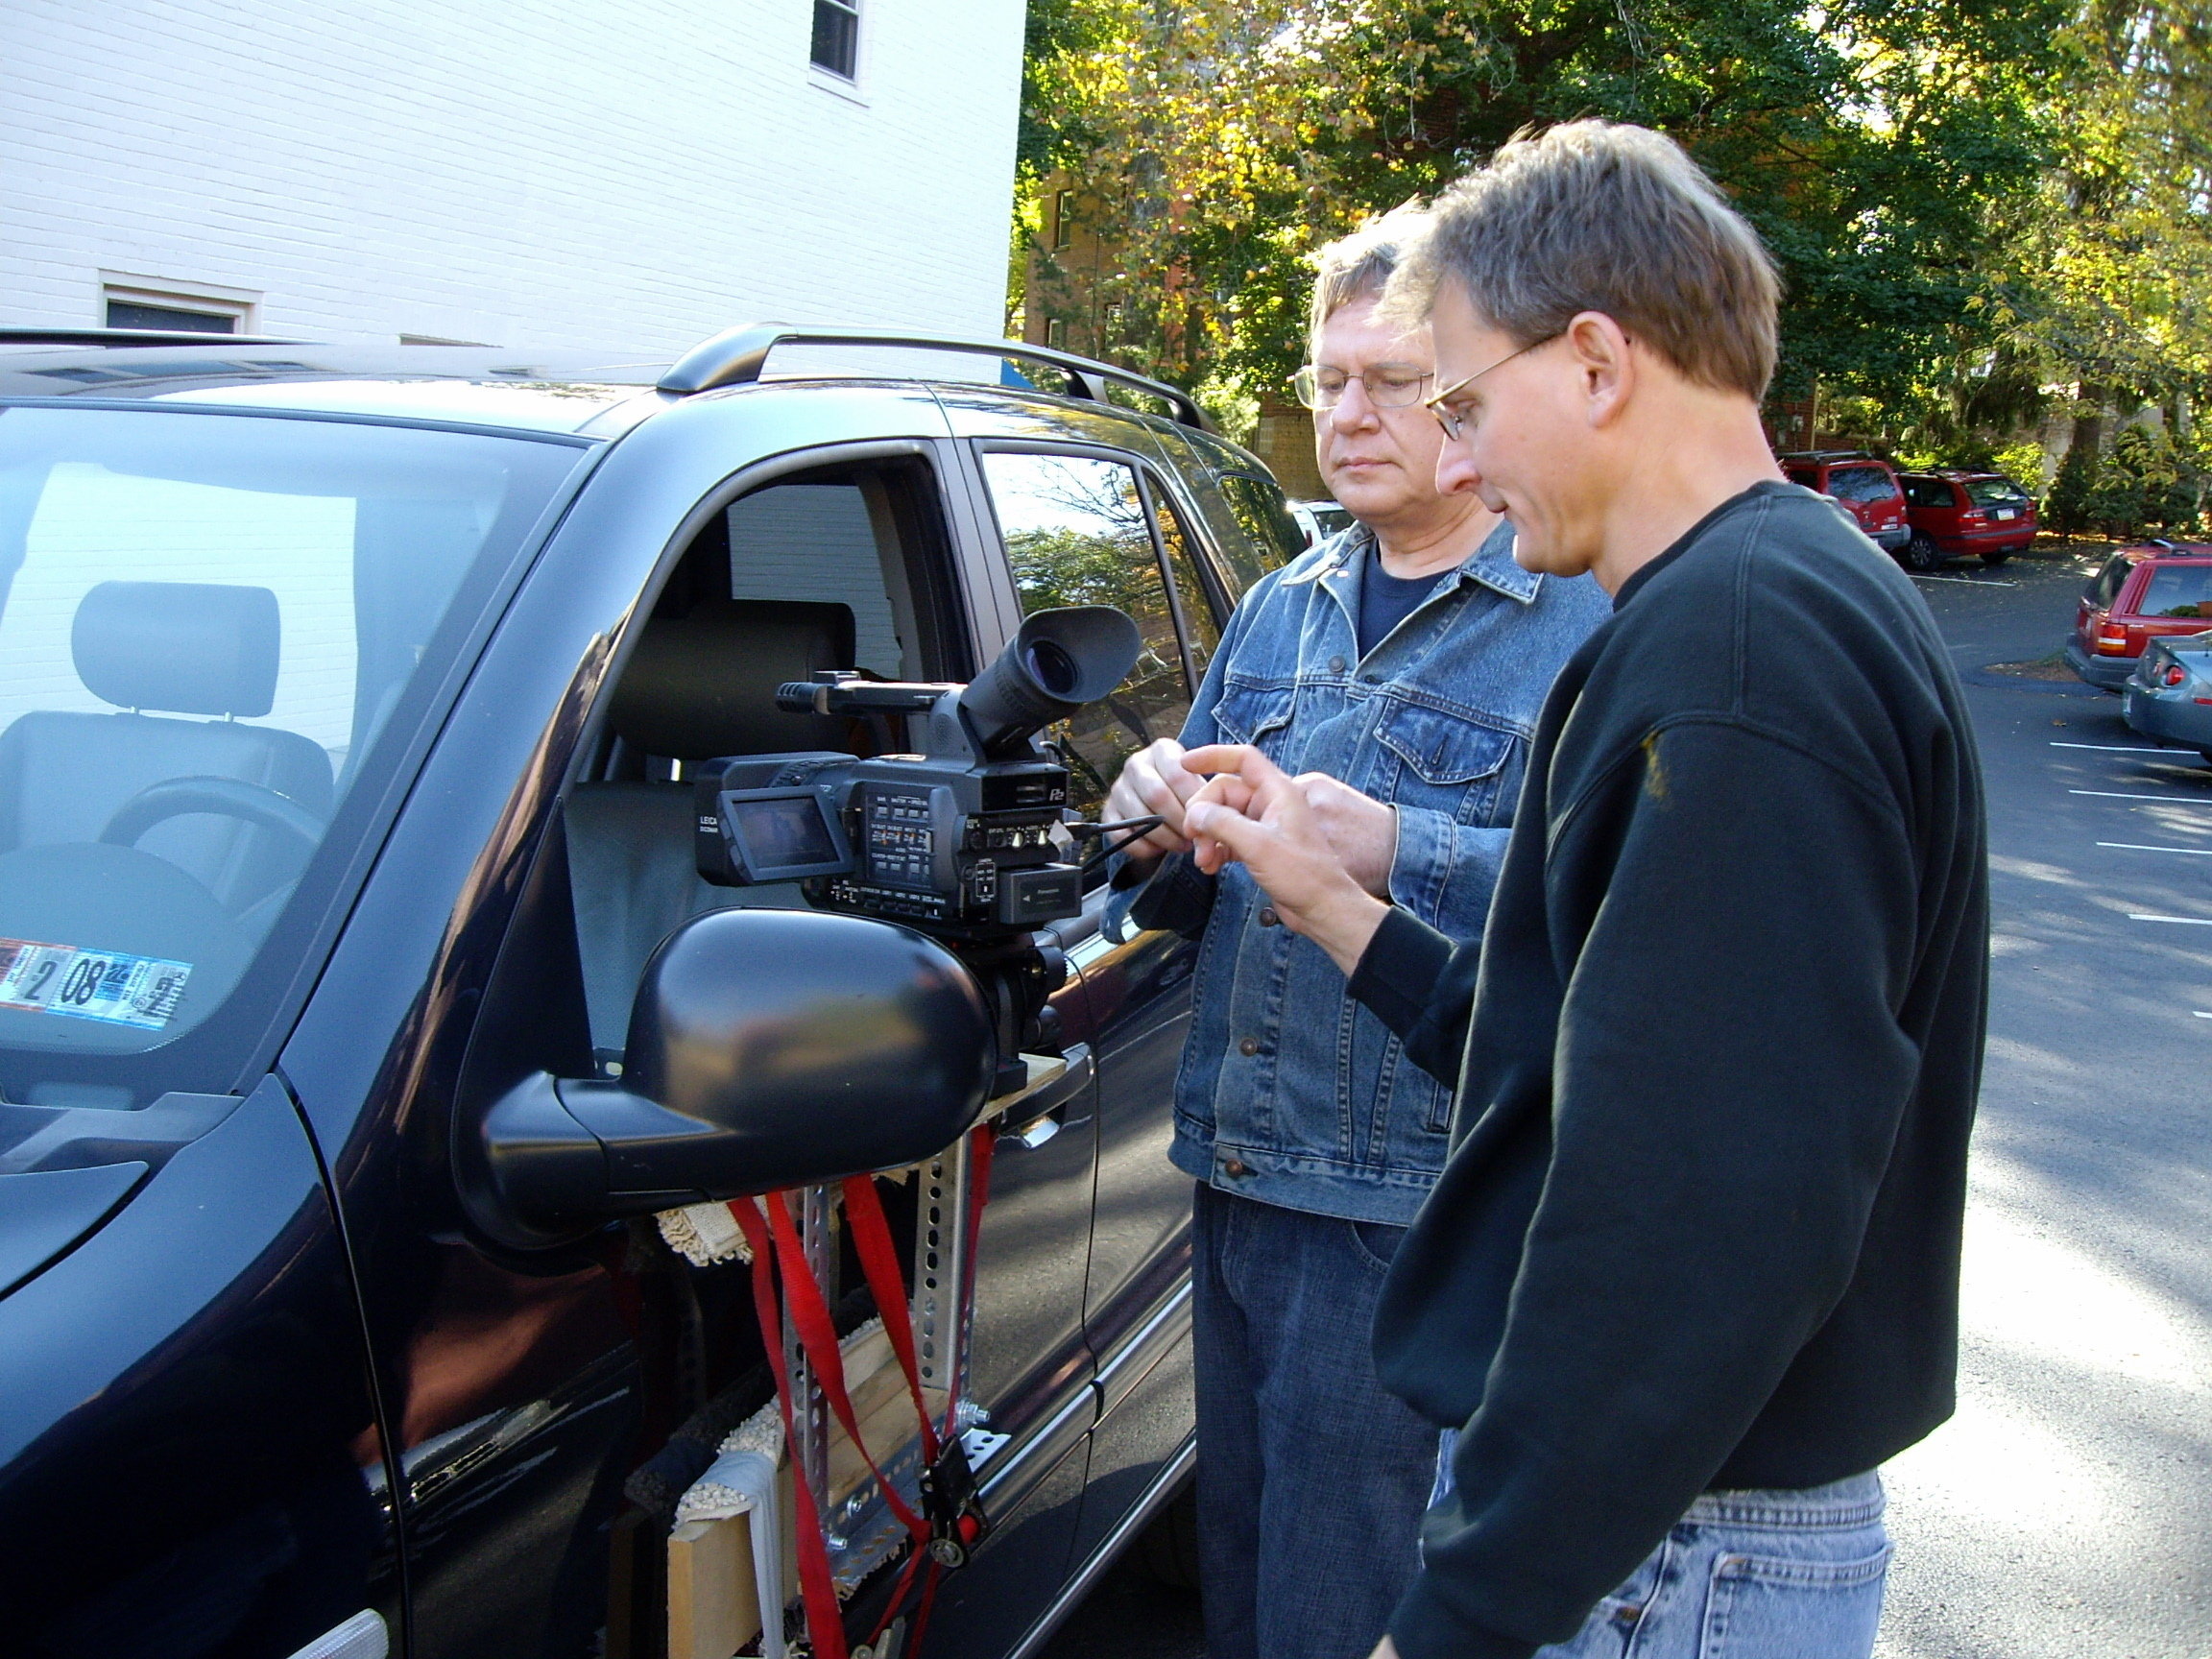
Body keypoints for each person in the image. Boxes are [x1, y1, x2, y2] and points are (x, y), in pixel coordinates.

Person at [1179, 121, 1988, 1659]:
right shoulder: (1765, 596)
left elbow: (1706, 1215)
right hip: (1674, 1531)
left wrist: (1463, 1613)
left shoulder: (1736, 659)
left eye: (1466, 401)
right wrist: (1330, 900)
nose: (1460, 455)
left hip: (1679, 1550)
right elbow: (1594, 1063)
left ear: (1600, 362)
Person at [1102, 209, 1609, 1659]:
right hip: (1236, 1175)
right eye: (1329, 381)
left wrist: (1391, 847)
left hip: (1407, 1210)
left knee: (1347, 1613)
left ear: (1467, 388)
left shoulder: (1572, 616)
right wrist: (1161, 821)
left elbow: (1602, 906)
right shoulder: (1282, 605)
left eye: (1393, 380)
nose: (1350, 414)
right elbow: (1194, 889)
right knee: (1247, 1588)